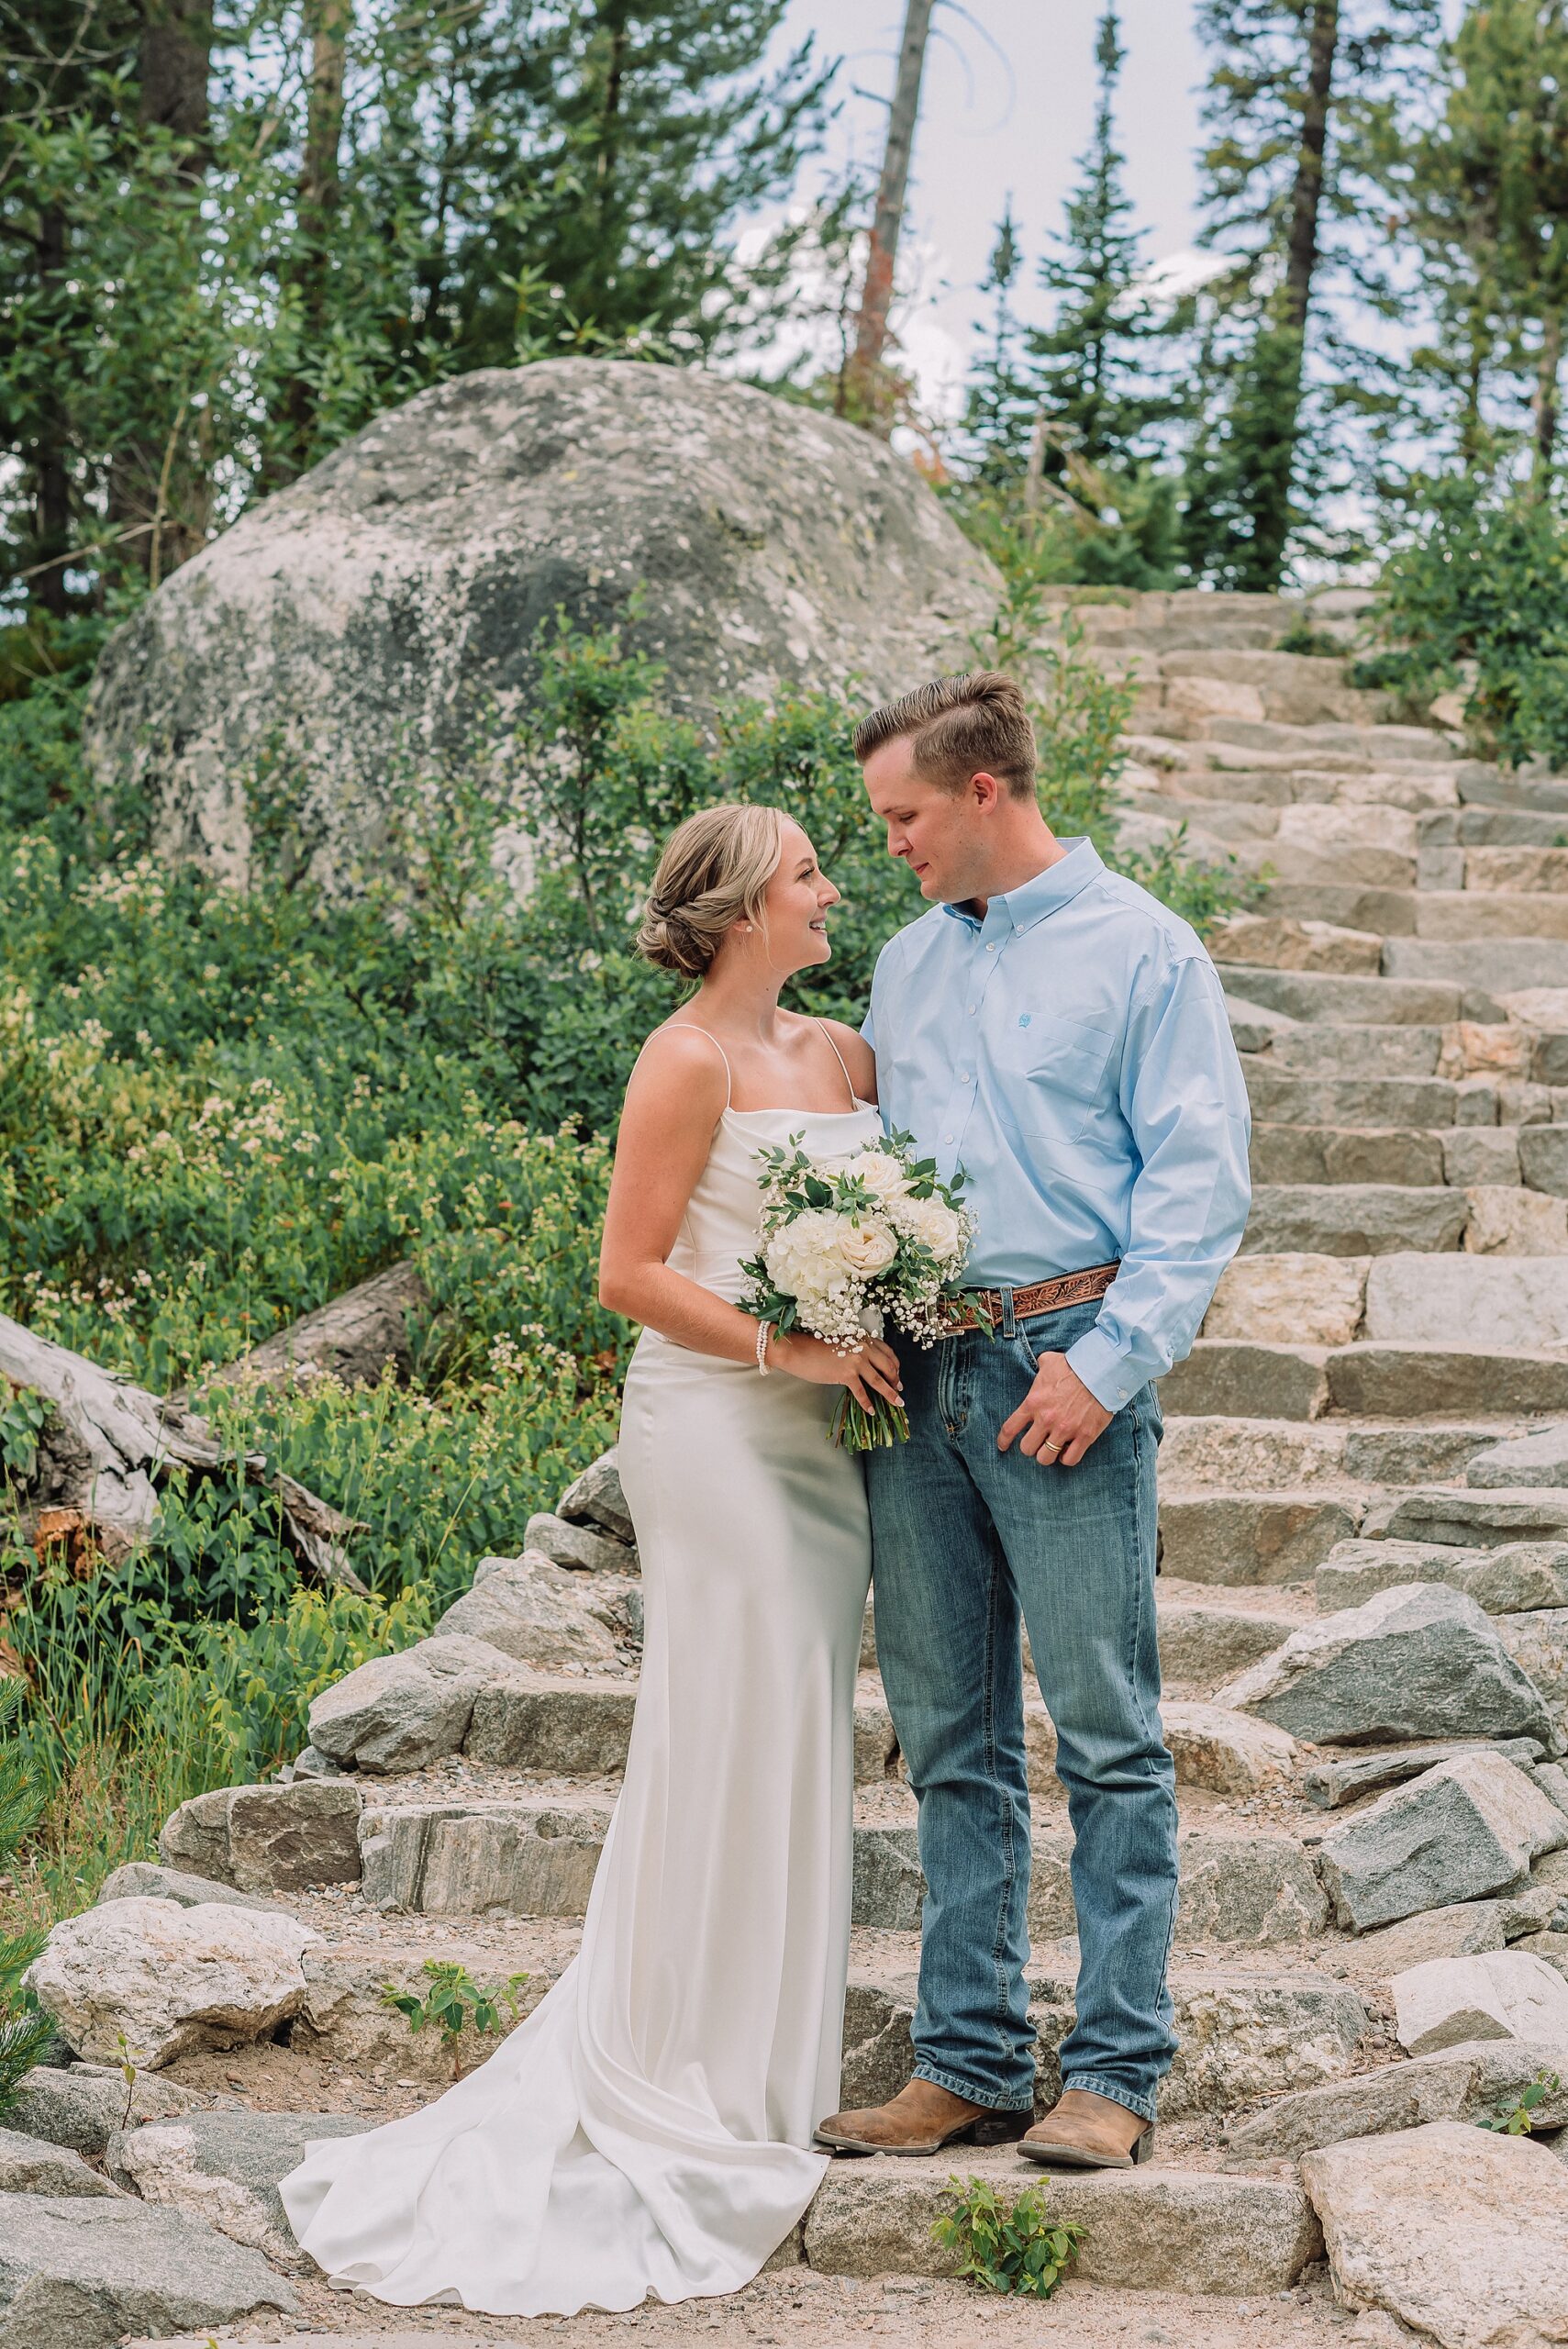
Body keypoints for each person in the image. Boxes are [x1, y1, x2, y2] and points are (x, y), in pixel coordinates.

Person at [280, 802, 900, 2315]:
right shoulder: (683, 1058)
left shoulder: (844, 1056)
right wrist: (789, 1345)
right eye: (810, 873)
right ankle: (682, 2063)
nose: (833, 889)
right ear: (745, 906)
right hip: (715, 1428)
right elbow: (626, 1273)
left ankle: (769, 2060)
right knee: (725, 1718)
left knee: (801, 1711)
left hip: (823, 1442)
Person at [814, 671, 1251, 2171]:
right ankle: (970, 2059)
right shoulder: (905, 963)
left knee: (1109, 1737)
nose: (890, 844)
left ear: (982, 792)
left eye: (905, 815)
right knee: (947, 1735)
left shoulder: (1146, 952)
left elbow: (1198, 1186)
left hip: (1065, 1361)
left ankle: (1116, 2073)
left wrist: (1109, 1362)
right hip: (919, 1368)